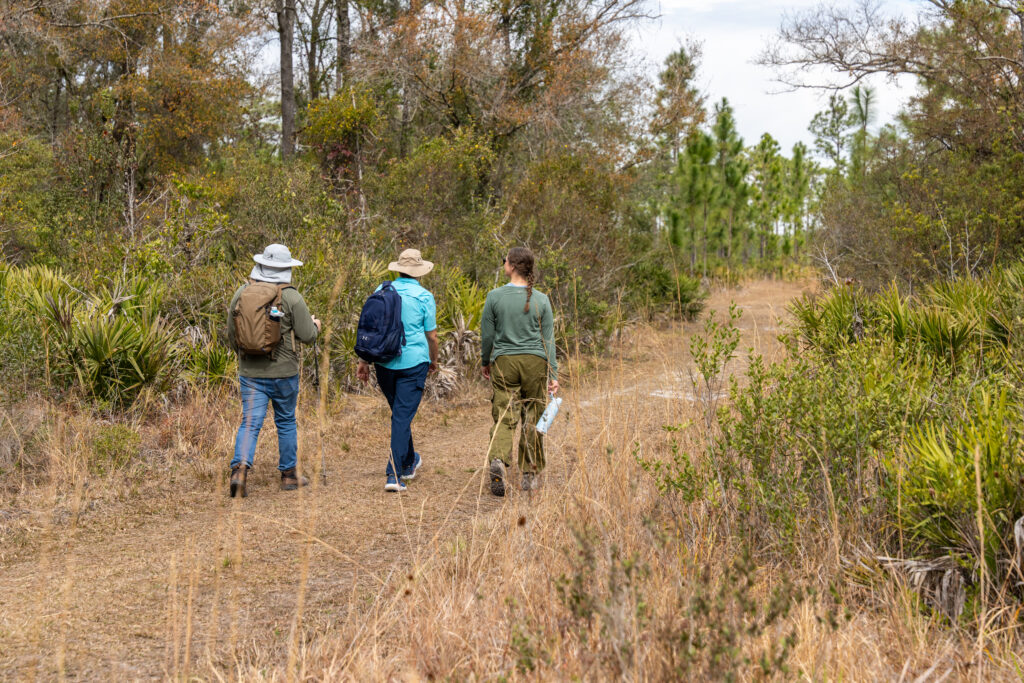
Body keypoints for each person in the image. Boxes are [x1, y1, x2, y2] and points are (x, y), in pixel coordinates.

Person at [227, 243, 321, 498]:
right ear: (286, 268)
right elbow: (307, 335)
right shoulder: (291, 297)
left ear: (261, 265)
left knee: (250, 422)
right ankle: (289, 475)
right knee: (286, 421)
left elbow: (230, 334)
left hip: (251, 373)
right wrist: (316, 325)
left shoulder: (241, 293)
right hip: (284, 372)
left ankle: (239, 471)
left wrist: (247, 357)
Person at [357, 248, 439, 492]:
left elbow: (370, 329)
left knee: (400, 415)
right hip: (414, 363)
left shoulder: (381, 291)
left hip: (384, 363)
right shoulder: (424, 296)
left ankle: (409, 460)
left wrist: (363, 361)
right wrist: (434, 360)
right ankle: (393, 475)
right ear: (419, 272)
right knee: (402, 416)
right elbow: (432, 336)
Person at [480, 246, 558, 496]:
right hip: (536, 362)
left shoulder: (494, 297)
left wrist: (486, 361)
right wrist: (553, 374)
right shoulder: (542, 299)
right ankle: (530, 474)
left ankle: (498, 460)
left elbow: (488, 335)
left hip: (505, 361)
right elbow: (549, 340)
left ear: (512, 266)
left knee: (504, 413)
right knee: (534, 415)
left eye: (505, 261)